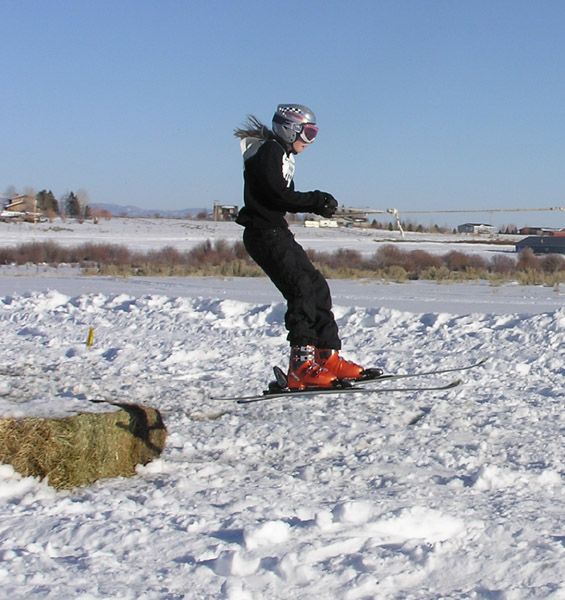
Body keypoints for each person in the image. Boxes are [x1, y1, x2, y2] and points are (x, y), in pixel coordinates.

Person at [234, 103, 366, 390]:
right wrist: (316, 201)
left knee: (316, 286)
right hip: (263, 233)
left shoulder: (278, 153)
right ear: (289, 128)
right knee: (301, 288)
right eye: (308, 133)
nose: (310, 142)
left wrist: (317, 204)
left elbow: (281, 196)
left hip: (274, 231)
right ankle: (301, 366)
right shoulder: (270, 151)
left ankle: (327, 356)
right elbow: (278, 195)